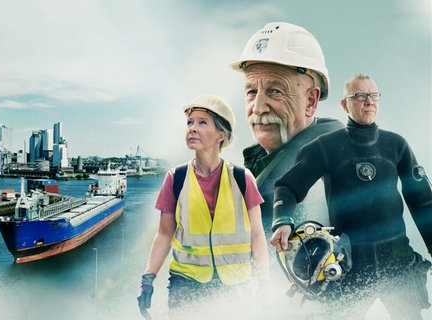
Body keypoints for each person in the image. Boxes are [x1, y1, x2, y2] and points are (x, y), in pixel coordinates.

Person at [270, 74, 432, 319]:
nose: (368, 101)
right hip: (350, 263)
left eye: (373, 96)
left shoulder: (396, 145)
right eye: (360, 96)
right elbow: (287, 187)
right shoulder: (325, 147)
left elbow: (423, 202)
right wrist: (282, 220)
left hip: (397, 261)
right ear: (345, 104)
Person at [137, 94, 269, 318]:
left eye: (202, 122)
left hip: (237, 287)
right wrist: (148, 277)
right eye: (190, 122)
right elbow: (164, 234)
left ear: (221, 135)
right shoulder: (175, 178)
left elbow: (257, 235)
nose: (192, 128)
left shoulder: (242, 178)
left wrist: (264, 282)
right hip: (186, 283)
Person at [229, 22, 344, 236]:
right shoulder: (265, 160)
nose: (258, 108)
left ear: (311, 101)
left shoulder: (313, 179)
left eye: (274, 91)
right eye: (252, 91)